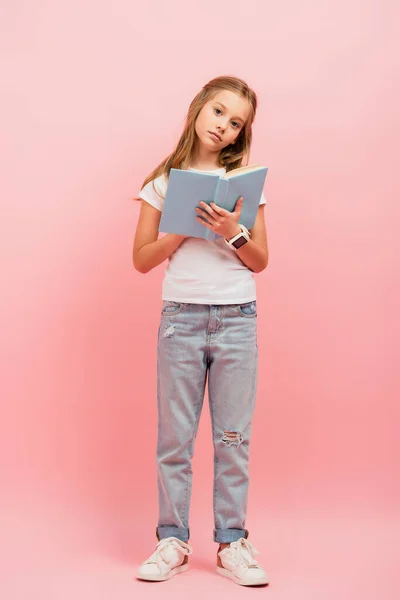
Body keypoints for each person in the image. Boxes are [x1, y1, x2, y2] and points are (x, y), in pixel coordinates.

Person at [132, 75, 269, 586]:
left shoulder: (245, 182)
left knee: (234, 437)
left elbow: (260, 260)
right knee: (175, 438)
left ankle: (232, 542)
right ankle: (172, 540)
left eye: (236, 123)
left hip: (236, 318)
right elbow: (141, 260)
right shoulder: (162, 182)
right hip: (181, 320)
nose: (223, 127)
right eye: (218, 112)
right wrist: (182, 231)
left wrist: (229, 230)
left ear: (240, 134)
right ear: (198, 110)